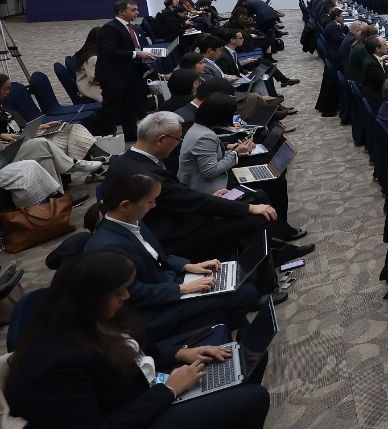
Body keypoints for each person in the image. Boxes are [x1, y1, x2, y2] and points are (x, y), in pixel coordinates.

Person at [4, 250, 271, 429]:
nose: (126, 298)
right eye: (120, 292)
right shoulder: (60, 362)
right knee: (253, 397)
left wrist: (181, 353)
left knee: (247, 357)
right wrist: (167, 391)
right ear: (92, 297)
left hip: (146, 387)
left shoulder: (98, 317)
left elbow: (139, 353)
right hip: (137, 410)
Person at [103, 112, 308, 264]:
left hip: (173, 217)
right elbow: (193, 202)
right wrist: (247, 209)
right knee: (254, 216)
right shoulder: (148, 174)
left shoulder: (126, 160)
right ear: (161, 140)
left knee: (253, 196)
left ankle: (275, 248)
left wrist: (212, 195)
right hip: (172, 234)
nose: (179, 144)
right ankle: (264, 282)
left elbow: (182, 196)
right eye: (177, 139)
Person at [84, 174, 261, 338]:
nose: (154, 206)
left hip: (170, 282)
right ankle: (227, 336)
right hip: (156, 308)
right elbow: (131, 293)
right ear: (125, 205)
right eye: (150, 202)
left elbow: (158, 256)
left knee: (244, 275)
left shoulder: (132, 221)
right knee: (246, 293)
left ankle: (229, 332)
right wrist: (183, 289)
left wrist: (188, 266)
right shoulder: (107, 247)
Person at [96, 0, 156, 142]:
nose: (137, 12)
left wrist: (143, 53)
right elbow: (110, 52)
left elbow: (131, 47)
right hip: (114, 77)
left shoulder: (131, 27)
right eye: (133, 10)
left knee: (130, 107)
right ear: (122, 12)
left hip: (130, 74)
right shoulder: (110, 28)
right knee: (112, 109)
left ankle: (131, 138)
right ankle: (107, 141)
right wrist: (137, 54)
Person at [177, 93, 255, 195]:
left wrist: (235, 151)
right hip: (205, 190)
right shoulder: (205, 137)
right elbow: (210, 172)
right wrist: (235, 152)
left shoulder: (197, 127)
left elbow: (208, 158)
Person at [72, 25, 104, 101]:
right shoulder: (93, 58)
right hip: (92, 90)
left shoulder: (88, 51)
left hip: (89, 86)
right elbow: (94, 78)